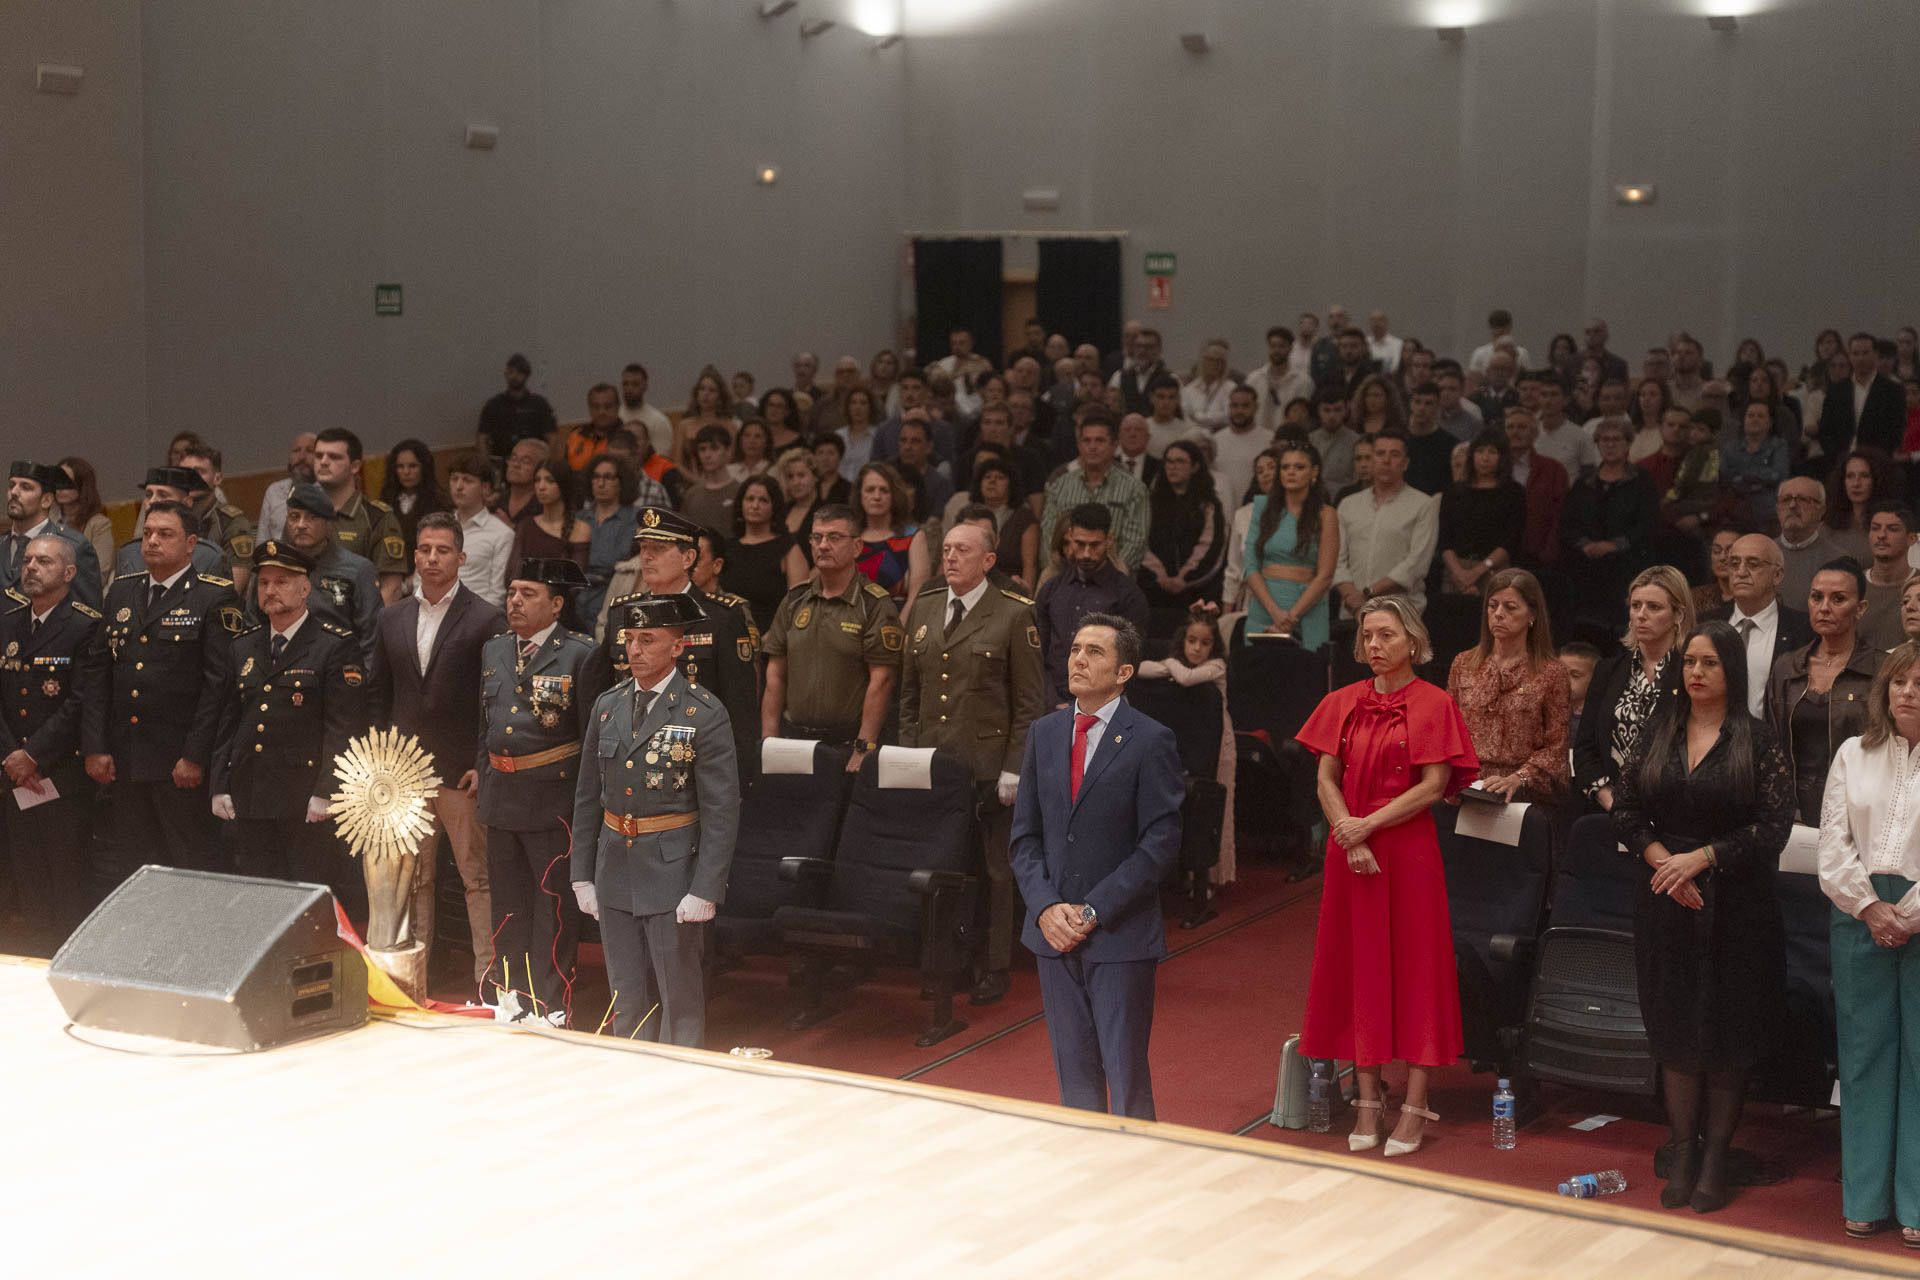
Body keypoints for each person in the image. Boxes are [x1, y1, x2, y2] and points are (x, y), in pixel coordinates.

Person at [1610, 621, 1792, 1213]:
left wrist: (1703, 860)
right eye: (1689, 662)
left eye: (1709, 663)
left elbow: (1773, 826)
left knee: (1727, 1031)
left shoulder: (1758, 740)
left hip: (1738, 903)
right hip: (1666, 897)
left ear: (1731, 671)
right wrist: (1666, 863)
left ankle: (1716, 1157)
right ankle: (1682, 1150)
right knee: (1677, 1028)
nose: (1695, 672)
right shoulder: (1660, 731)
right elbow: (1626, 808)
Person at [1296, 596, 1479, 1157]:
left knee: (1417, 969)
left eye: (1387, 636)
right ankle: (1369, 1099)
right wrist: (1347, 831)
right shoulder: (1341, 701)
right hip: (1350, 846)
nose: (1375, 646)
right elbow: (1326, 777)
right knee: (1359, 969)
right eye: (1368, 637)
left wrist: (1365, 827)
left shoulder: (1434, 702)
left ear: (1413, 641)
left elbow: (1432, 786)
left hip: (1405, 847)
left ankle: (1418, 1102)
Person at [1009, 613, 1183, 1118]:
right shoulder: (1044, 733)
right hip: (1052, 935)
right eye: (1075, 649)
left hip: (1118, 935)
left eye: (1095, 652)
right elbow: (1024, 837)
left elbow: (1160, 844)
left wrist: (1090, 913)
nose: (1079, 659)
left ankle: (1138, 1181)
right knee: (1074, 1075)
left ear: (1124, 671)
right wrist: (1045, 909)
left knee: (1125, 1076)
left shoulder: (1151, 739)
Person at [571, 593, 739, 1046]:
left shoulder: (702, 713)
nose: (635, 649)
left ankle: (680, 1090)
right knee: (624, 1000)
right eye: (630, 638)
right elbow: (589, 796)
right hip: (615, 868)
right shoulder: (609, 704)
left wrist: (705, 888)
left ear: (678, 647)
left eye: (649, 639)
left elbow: (722, 811)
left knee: (679, 999)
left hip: (672, 873)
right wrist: (581, 874)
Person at [366, 512, 507, 995]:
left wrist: (480, 760)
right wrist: (381, 764)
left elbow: (497, 700)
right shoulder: (391, 616)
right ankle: (413, 984)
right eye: (424, 549)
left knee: (476, 880)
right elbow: (380, 695)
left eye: (442, 550)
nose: (431, 558)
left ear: (462, 558)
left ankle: (488, 983)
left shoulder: (487, 618)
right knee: (412, 881)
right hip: (402, 774)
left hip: (459, 770)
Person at [79, 502, 242, 892]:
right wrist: (95, 745)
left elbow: (218, 687)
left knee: (191, 865)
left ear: (190, 544)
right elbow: (99, 673)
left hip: (180, 763)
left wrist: (195, 756)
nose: (151, 541)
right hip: (128, 759)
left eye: (164, 534)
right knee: (137, 869)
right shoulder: (121, 591)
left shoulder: (212, 597)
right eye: (148, 533)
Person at [1817, 641, 1920, 1246]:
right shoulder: (1854, 753)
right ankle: (1865, 1197)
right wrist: (1871, 907)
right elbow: (1833, 843)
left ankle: (1915, 1203)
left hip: (1916, 914)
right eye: (1900, 681)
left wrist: (1908, 914)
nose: (1908, 691)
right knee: (1864, 1059)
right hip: (1858, 912)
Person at [476, 558, 608, 1025]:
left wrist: (585, 808)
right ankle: (510, 997)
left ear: (556, 604)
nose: (514, 600)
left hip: (553, 801)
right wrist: (484, 778)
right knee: (508, 907)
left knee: (552, 908)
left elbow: (593, 740)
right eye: (512, 591)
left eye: (528, 593)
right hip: (502, 797)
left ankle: (549, 1003)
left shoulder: (580, 654)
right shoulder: (494, 650)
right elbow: (485, 727)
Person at [209, 542, 363, 899]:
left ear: (305, 588)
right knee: (260, 896)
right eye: (263, 583)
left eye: (281, 582)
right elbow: (228, 721)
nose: (270, 591)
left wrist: (328, 790)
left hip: (304, 799)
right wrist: (220, 783)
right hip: (251, 794)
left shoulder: (334, 645)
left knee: (308, 896)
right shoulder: (243, 646)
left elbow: (343, 728)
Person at [601, 507, 759, 787]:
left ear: (688, 557)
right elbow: (602, 696)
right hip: (626, 763)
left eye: (658, 548)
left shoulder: (720, 618)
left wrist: (735, 784)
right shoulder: (621, 613)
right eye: (643, 547)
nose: (646, 556)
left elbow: (740, 710)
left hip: (693, 767)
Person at [0, 536, 100, 950]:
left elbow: (82, 701)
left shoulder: (85, 625)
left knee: (67, 872)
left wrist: (33, 754)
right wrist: (10, 756)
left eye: (44, 561)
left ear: (69, 573)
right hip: (13, 773)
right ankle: (33, 957)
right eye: (27, 560)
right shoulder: (8, 622)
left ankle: (71, 959)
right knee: (28, 873)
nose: (32, 568)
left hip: (61, 772)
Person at [759, 503, 903, 756]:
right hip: (793, 741)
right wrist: (768, 741)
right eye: (817, 537)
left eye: (834, 537)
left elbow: (882, 681)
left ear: (857, 547)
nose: (823, 545)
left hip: (846, 744)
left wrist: (864, 747)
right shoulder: (794, 600)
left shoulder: (874, 603)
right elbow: (775, 675)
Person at [1762, 558, 1881, 826]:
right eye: (1816, 597)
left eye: (1838, 599)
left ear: (1860, 609)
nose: (1824, 608)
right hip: (1791, 809)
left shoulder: (1881, 670)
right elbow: (1771, 744)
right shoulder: (1788, 666)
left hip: (1860, 809)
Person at [1446, 569, 1571, 803]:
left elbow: (1556, 748)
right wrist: (1449, 779)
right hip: (1467, 786)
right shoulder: (1463, 663)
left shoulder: (1552, 672)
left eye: (1510, 607)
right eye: (1493, 606)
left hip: (1521, 792)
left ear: (1531, 614)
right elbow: (1448, 731)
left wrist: (1519, 778)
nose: (1499, 614)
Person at [1574, 565, 1693, 811]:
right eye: (1635, 605)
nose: (1641, 614)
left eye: (1654, 607)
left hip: (1670, 812)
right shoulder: (1607, 671)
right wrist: (1609, 800)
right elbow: (1585, 748)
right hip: (1607, 808)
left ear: (1679, 615)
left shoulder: (1691, 674)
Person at [1034, 504, 1151, 707]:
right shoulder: (1051, 589)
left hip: (1103, 706)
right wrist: (1051, 701)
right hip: (1049, 703)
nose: (1086, 554)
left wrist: (1082, 705)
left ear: (1109, 540)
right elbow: (1037, 655)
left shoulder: (1128, 595)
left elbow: (1129, 665)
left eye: (1095, 545)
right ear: (1069, 536)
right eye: (1080, 544)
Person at [1562, 420, 1658, 632]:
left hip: (1628, 567)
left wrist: (1614, 545)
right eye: (1605, 440)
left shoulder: (1642, 481)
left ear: (1628, 444)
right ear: (1597, 444)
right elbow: (1568, 523)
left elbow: (1648, 523)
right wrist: (1585, 544)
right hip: (1586, 567)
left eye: (1616, 439)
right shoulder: (1584, 482)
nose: (1610, 445)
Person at [1704, 533, 1814, 716]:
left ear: (1777, 575)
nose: (1741, 572)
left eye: (1753, 564)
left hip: (1773, 740)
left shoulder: (1803, 630)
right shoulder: (1706, 625)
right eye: (1734, 564)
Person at [1331, 432, 1438, 618]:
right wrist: (1352, 598)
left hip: (1401, 613)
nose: (1386, 460)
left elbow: (1416, 563)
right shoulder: (1348, 504)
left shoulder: (1423, 505)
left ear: (1406, 463)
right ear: (1372, 460)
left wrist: (1367, 594)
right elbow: (1336, 558)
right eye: (1380, 454)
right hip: (1352, 613)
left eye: (1394, 454)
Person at [270, 483, 383, 658]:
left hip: (338, 673)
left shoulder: (357, 570)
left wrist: (360, 684)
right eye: (294, 517)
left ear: (328, 523)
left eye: (312, 517)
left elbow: (373, 643)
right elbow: (254, 633)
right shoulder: (271, 569)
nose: (301, 525)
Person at [1242, 442, 1338, 649]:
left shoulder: (1326, 514)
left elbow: (1325, 575)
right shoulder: (1263, 508)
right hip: (1265, 606)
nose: (1291, 472)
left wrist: (1291, 617)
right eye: (1285, 467)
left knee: (1305, 678)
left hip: (1308, 608)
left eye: (1299, 467)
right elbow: (1250, 565)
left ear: (1314, 472)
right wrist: (1275, 612)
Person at [1041, 410, 1150, 572]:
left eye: (1100, 440)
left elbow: (1135, 543)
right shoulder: (1059, 485)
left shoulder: (1134, 489)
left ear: (1114, 445)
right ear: (1079, 445)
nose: (1092, 447)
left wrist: (1109, 577)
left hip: (1114, 583)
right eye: (1087, 440)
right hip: (1064, 579)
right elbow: (1048, 537)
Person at [312, 429, 408, 604]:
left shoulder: (378, 518)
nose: (323, 462)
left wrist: (369, 629)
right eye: (318, 456)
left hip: (357, 624)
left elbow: (391, 589)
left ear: (355, 466)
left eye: (334, 457)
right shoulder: (302, 516)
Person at [1138, 440, 1226, 621]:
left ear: (1195, 467)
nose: (1173, 467)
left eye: (1180, 461)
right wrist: (1160, 576)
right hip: (1153, 593)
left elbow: (1211, 547)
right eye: (1169, 461)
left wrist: (1184, 579)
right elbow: (1140, 541)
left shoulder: (1208, 505)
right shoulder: (1149, 503)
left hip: (1196, 594)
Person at [1436, 429, 1527, 601]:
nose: (1485, 458)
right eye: (1480, 451)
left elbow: (1511, 540)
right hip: (1455, 572)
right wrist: (1460, 574)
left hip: (1495, 570)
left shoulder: (1514, 493)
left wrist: (1479, 571)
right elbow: (1445, 540)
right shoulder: (1453, 491)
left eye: (1492, 452)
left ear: (1502, 457)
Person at [4, 462, 104, 610]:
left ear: (46, 500)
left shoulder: (73, 546)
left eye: (26, 487)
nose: (14, 492)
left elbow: (89, 615)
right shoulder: (2, 543)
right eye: (12, 485)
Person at [722, 474, 808, 633]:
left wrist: (770, 641)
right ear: (741, 503)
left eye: (763, 500)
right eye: (750, 499)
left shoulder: (788, 548)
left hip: (772, 640)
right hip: (727, 636)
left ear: (774, 507)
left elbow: (797, 607)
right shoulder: (726, 548)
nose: (755, 505)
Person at [177, 444, 260, 597]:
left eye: (199, 472)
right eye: (185, 472)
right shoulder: (171, 520)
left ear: (217, 478)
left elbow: (232, 590)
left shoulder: (233, 523)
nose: (191, 478)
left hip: (215, 612)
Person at [851, 462, 931, 608]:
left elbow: (917, 597)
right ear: (859, 494)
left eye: (884, 490)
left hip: (896, 619)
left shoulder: (912, 537)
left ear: (894, 495)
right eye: (870, 490)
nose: (877, 496)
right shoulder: (849, 536)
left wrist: (898, 629)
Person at [1818, 332, 1904, 460]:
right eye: (1856, 354)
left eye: (1865, 353)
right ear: (1850, 357)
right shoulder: (1836, 391)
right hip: (1840, 460)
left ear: (1875, 355)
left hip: (1878, 461)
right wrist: (1838, 455)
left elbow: (1896, 430)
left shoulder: (1893, 390)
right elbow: (1826, 430)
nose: (1860, 358)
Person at [577, 453, 639, 627]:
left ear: (622, 482)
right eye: (596, 477)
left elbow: (613, 560)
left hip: (614, 598)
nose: (600, 483)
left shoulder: (634, 519)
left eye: (608, 477)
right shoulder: (580, 518)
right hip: (578, 598)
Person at [1503, 405, 1568, 570]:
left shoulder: (1553, 469)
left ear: (1534, 433)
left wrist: (1547, 555)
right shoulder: (1496, 469)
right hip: (1500, 557)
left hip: (1539, 558)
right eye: (1510, 427)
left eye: (1522, 427)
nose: (1515, 432)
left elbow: (1559, 515)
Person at [444, 454, 513, 608]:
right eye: (454, 479)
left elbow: (497, 594)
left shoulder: (502, 534)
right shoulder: (439, 527)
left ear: (486, 488)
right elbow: (420, 578)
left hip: (476, 617)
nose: (459, 486)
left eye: (467, 480)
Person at [508, 460, 591, 582]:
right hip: (522, 596)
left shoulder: (580, 529)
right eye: (537, 480)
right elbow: (511, 574)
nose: (541, 487)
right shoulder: (526, 525)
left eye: (550, 481)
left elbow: (574, 584)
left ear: (563, 484)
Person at [1721, 402, 1790, 534]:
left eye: (1760, 416)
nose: (1755, 419)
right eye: (1750, 415)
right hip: (1736, 511)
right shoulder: (1731, 448)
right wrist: (1760, 480)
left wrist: (1744, 476)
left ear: (1770, 423)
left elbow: (1779, 474)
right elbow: (1725, 476)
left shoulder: (1778, 445)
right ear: (1744, 420)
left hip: (1769, 512)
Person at [1776, 476, 1845, 607]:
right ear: (1777, 508)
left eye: (1802, 500)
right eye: (1786, 499)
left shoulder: (1838, 561)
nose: (1792, 505)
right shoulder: (1761, 554)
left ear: (1821, 510)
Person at [477, 353, 556, 462]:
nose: (514, 376)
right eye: (510, 372)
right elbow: (482, 437)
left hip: (532, 462)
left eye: (519, 373)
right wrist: (486, 465)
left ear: (526, 375)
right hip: (502, 462)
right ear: (506, 374)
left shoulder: (539, 404)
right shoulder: (494, 405)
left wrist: (544, 463)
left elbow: (551, 437)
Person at [51, 458, 114, 592]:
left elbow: (100, 573)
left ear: (83, 485)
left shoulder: (99, 524)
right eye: (57, 481)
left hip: (85, 596)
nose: (60, 488)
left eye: (67, 482)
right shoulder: (49, 519)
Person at [1863, 503, 1919, 650]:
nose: (1881, 535)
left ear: (1912, 538)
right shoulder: (1851, 585)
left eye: (1892, 529)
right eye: (1875, 528)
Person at [1825, 449, 1895, 566]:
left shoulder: (1892, 527)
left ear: (1877, 480)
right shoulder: (1828, 528)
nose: (1856, 483)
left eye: (1864, 476)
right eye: (1850, 476)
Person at [257, 432, 317, 543]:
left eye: (309, 451)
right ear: (289, 458)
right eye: (296, 451)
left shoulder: (328, 493)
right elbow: (262, 540)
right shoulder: (274, 491)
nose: (301, 457)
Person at [618, 362, 673, 460]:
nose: (629, 389)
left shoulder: (659, 421)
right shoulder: (614, 417)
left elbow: (661, 460)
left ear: (645, 386)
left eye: (635, 384)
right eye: (625, 384)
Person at [1691, 528, 1740, 617]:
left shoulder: (1754, 597)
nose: (1722, 557)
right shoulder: (1695, 598)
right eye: (1716, 551)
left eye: (1730, 551)